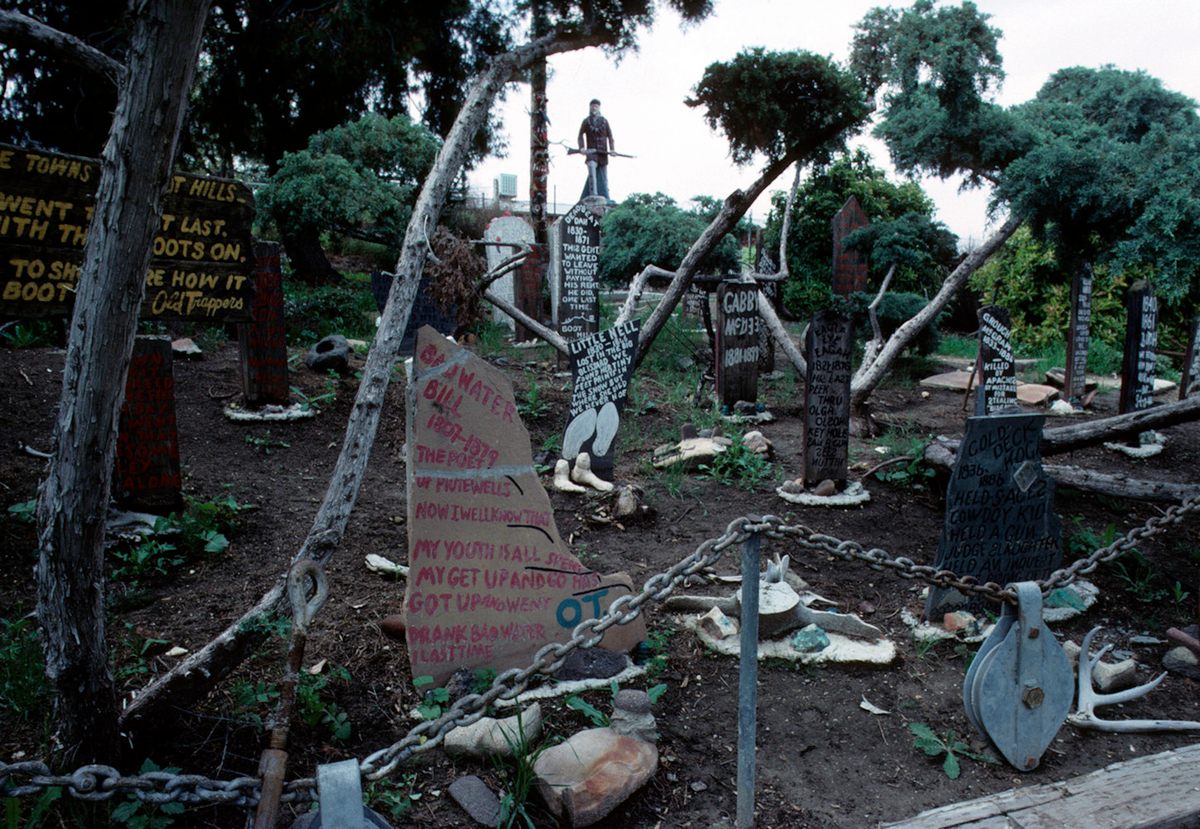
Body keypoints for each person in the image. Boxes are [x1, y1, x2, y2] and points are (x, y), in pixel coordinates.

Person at [577, 98, 614, 200]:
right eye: (592, 106)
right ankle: (593, 195)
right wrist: (582, 148)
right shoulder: (586, 121)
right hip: (591, 152)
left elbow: (610, 136)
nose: (594, 108)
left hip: (603, 153)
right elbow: (580, 135)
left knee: (603, 177)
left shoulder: (604, 121)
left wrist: (612, 149)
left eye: (596, 106)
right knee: (592, 173)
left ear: (599, 108)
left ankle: (605, 196)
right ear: (590, 107)